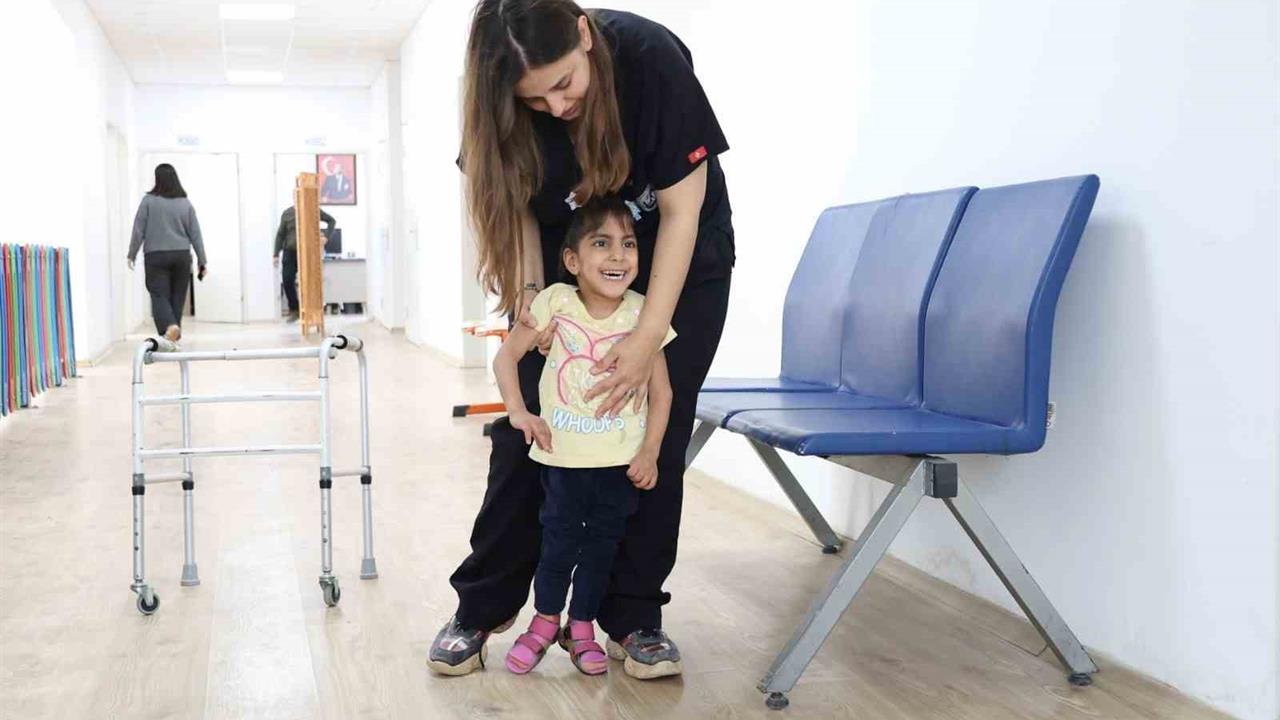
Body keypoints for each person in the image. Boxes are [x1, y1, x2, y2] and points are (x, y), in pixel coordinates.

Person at [429, 0, 734, 680]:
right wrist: (533, 302)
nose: (558, 107)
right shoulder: (500, 105)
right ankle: (483, 605)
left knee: (653, 426)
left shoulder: (649, 59)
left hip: (675, 255)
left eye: (565, 84)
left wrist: (647, 336)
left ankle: (633, 616)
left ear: (584, 35)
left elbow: (682, 212)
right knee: (529, 424)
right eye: (535, 100)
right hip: (566, 256)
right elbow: (515, 210)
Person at [495, 198, 673, 676]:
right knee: (557, 545)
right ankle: (543, 623)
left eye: (628, 244)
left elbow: (663, 393)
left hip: (617, 464)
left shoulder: (644, 313)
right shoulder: (555, 301)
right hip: (563, 460)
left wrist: (651, 452)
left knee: (600, 551)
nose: (618, 256)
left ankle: (582, 628)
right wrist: (519, 413)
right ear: (572, 260)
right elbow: (506, 358)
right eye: (602, 243)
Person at [127, 163, 207, 342]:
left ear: (157, 179)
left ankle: (170, 327)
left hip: (155, 255)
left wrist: (132, 253)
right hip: (181, 255)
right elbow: (195, 234)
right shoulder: (185, 203)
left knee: (158, 294)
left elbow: (138, 229)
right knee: (177, 297)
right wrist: (202, 260)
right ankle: (173, 337)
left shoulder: (148, 201)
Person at [273, 205, 336, 320]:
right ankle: (294, 309)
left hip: (308, 252)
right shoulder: (287, 213)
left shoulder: (312, 209)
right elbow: (280, 234)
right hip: (290, 252)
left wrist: (326, 237)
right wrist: (276, 254)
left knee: (310, 282)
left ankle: (312, 311)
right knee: (287, 279)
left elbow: (332, 221)